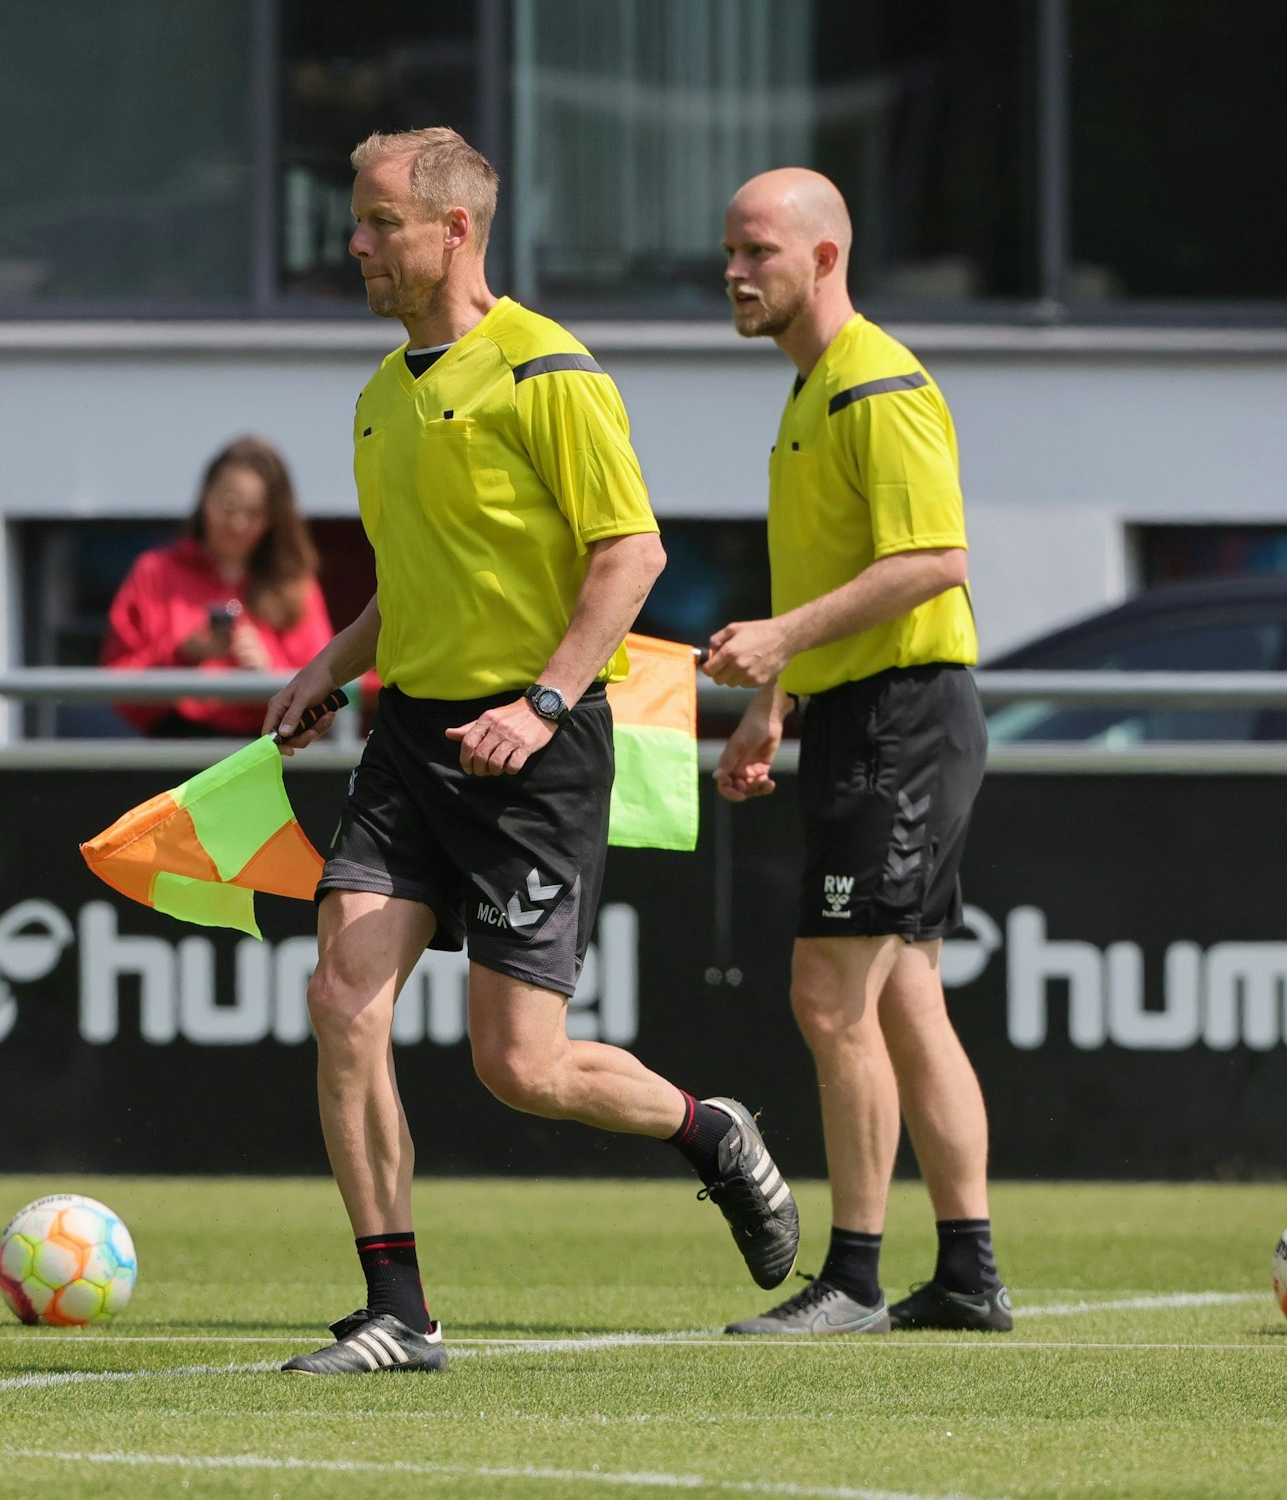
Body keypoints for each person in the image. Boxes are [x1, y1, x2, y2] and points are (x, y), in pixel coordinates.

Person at [264, 127, 801, 1376]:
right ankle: (396, 1311)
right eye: (354, 219)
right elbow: (416, 580)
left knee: (518, 1066)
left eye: (379, 222)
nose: (354, 243)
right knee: (341, 999)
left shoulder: (548, 372)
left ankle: (707, 1130)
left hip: (535, 749)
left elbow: (632, 555)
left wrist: (545, 705)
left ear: (454, 230)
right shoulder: (380, 393)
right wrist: (327, 668)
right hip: (409, 740)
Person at [704, 168, 1009, 1336]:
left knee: (829, 999)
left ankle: (855, 1278)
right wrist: (771, 703)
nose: (734, 274)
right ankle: (968, 1277)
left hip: (901, 719)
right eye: (729, 254)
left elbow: (933, 560)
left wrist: (781, 638)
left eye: (755, 254)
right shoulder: (811, 392)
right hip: (863, 715)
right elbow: (836, 582)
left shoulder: (873, 386)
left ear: (823, 259)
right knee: (904, 1002)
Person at [102, 436, 333, 737]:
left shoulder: (294, 585)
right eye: (229, 505)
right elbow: (116, 685)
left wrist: (268, 672)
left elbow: (325, 685)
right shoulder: (155, 573)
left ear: (273, 520)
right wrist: (182, 654)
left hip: (265, 748)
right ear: (205, 498)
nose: (238, 523)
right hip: (172, 750)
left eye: (254, 513)